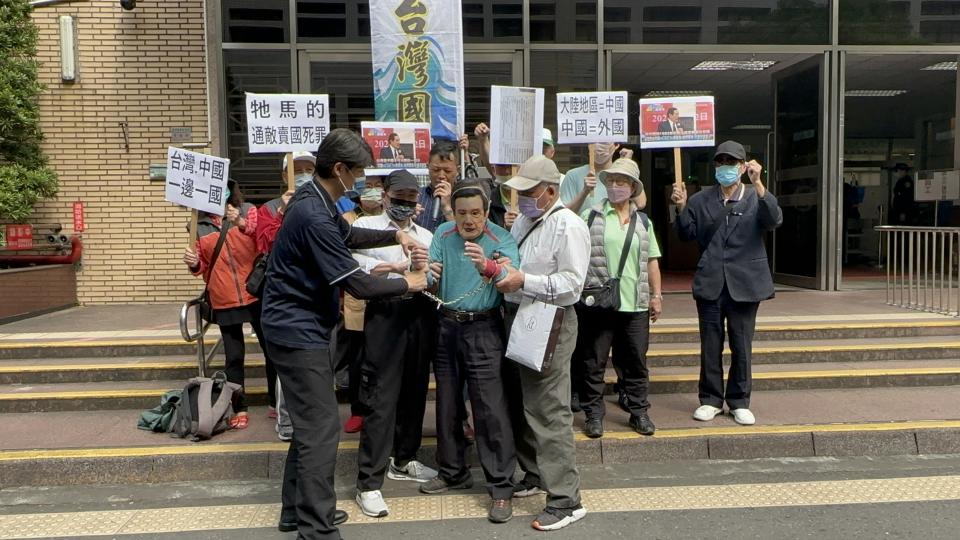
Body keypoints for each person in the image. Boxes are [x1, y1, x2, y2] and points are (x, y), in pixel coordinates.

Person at [260, 128, 428, 539]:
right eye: (356, 173)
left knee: (311, 425)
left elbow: (350, 235)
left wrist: (395, 233)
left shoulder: (315, 199)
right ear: (338, 169)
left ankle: (296, 512)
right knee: (321, 428)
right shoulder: (313, 214)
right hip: (295, 330)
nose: (361, 181)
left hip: (303, 325)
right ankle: (316, 529)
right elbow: (360, 285)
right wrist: (412, 283)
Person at [497, 154, 591, 531]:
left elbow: (572, 285)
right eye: (519, 193)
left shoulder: (568, 225)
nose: (521, 200)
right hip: (521, 316)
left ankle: (566, 500)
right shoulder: (526, 219)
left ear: (551, 191)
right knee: (522, 402)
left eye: (529, 193)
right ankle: (535, 473)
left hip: (551, 320)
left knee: (548, 408)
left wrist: (524, 281)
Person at [419, 180, 519, 524]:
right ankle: (452, 471)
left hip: (484, 328)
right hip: (446, 325)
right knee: (447, 402)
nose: (469, 221)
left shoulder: (500, 238)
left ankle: (502, 486)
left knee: (489, 407)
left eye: (475, 213)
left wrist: (489, 268)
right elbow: (428, 276)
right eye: (462, 213)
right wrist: (427, 273)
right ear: (453, 213)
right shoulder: (443, 234)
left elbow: (511, 276)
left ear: (486, 210)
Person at [671, 140, 783, 426]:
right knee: (710, 344)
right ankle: (710, 399)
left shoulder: (755, 197)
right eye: (720, 163)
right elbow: (685, 235)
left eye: (731, 163)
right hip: (711, 281)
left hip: (746, 284)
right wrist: (681, 206)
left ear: (744, 166)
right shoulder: (701, 200)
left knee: (741, 343)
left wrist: (759, 185)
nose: (725, 168)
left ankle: (739, 401)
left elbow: (774, 220)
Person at [350, 170, 438, 518]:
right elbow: (360, 270)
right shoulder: (367, 227)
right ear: (384, 194)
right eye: (398, 197)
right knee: (381, 397)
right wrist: (399, 267)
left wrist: (428, 270)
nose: (404, 204)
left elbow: (433, 275)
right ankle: (368, 483)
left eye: (410, 199)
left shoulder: (427, 234)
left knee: (415, 391)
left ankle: (404, 458)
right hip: (385, 314)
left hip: (420, 314)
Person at [574, 158, 662, 439]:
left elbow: (652, 262)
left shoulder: (643, 222)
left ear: (633, 187)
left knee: (635, 361)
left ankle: (639, 412)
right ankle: (593, 415)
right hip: (598, 303)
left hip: (634, 304)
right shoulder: (590, 216)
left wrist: (657, 296)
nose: (615, 187)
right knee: (593, 362)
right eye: (611, 181)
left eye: (621, 182)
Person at [183, 179, 264, 431]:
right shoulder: (197, 224)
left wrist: (240, 222)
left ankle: (276, 402)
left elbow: (263, 240)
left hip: (256, 291)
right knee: (234, 356)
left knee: (272, 350)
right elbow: (202, 267)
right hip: (224, 297)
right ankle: (239, 407)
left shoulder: (249, 209)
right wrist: (193, 262)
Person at [256, 151, 316, 440]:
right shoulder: (268, 209)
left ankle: (308, 418)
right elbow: (266, 243)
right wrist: (283, 212)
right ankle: (287, 421)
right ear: (284, 176)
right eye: (297, 169)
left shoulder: (323, 204)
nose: (303, 174)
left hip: (316, 298)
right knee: (288, 367)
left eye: (308, 169)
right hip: (284, 301)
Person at [335, 173, 384, 435]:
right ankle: (358, 409)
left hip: (387, 299)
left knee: (382, 361)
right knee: (358, 360)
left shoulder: (393, 221)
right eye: (368, 186)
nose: (373, 191)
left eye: (378, 186)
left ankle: (379, 408)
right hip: (357, 300)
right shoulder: (346, 219)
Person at [415, 136, 468, 232]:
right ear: (428, 167)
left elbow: (466, 235)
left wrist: (448, 209)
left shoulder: (466, 199)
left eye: (447, 171)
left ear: (458, 170)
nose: (441, 175)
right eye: (436, 170)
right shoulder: (416, 196)